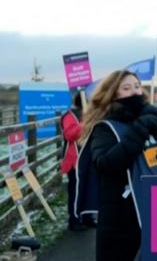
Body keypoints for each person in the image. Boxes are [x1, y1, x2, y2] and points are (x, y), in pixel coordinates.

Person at [79, 70, 157, 261]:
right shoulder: (106, 127)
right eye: (127, 88)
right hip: (121, 219)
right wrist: (139, 130)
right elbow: (105, 164)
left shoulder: (153, 119)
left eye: (137, 86)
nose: (135, 92)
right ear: (114, 94)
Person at [60, 92, 94, 231]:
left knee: (89, 188)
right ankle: (74, 220)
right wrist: (84, 124)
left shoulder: (89, 113)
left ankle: (87, 216)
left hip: (88, 157)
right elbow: (69, 135)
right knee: (76, 190)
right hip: (75, 159)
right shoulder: (70, 115)